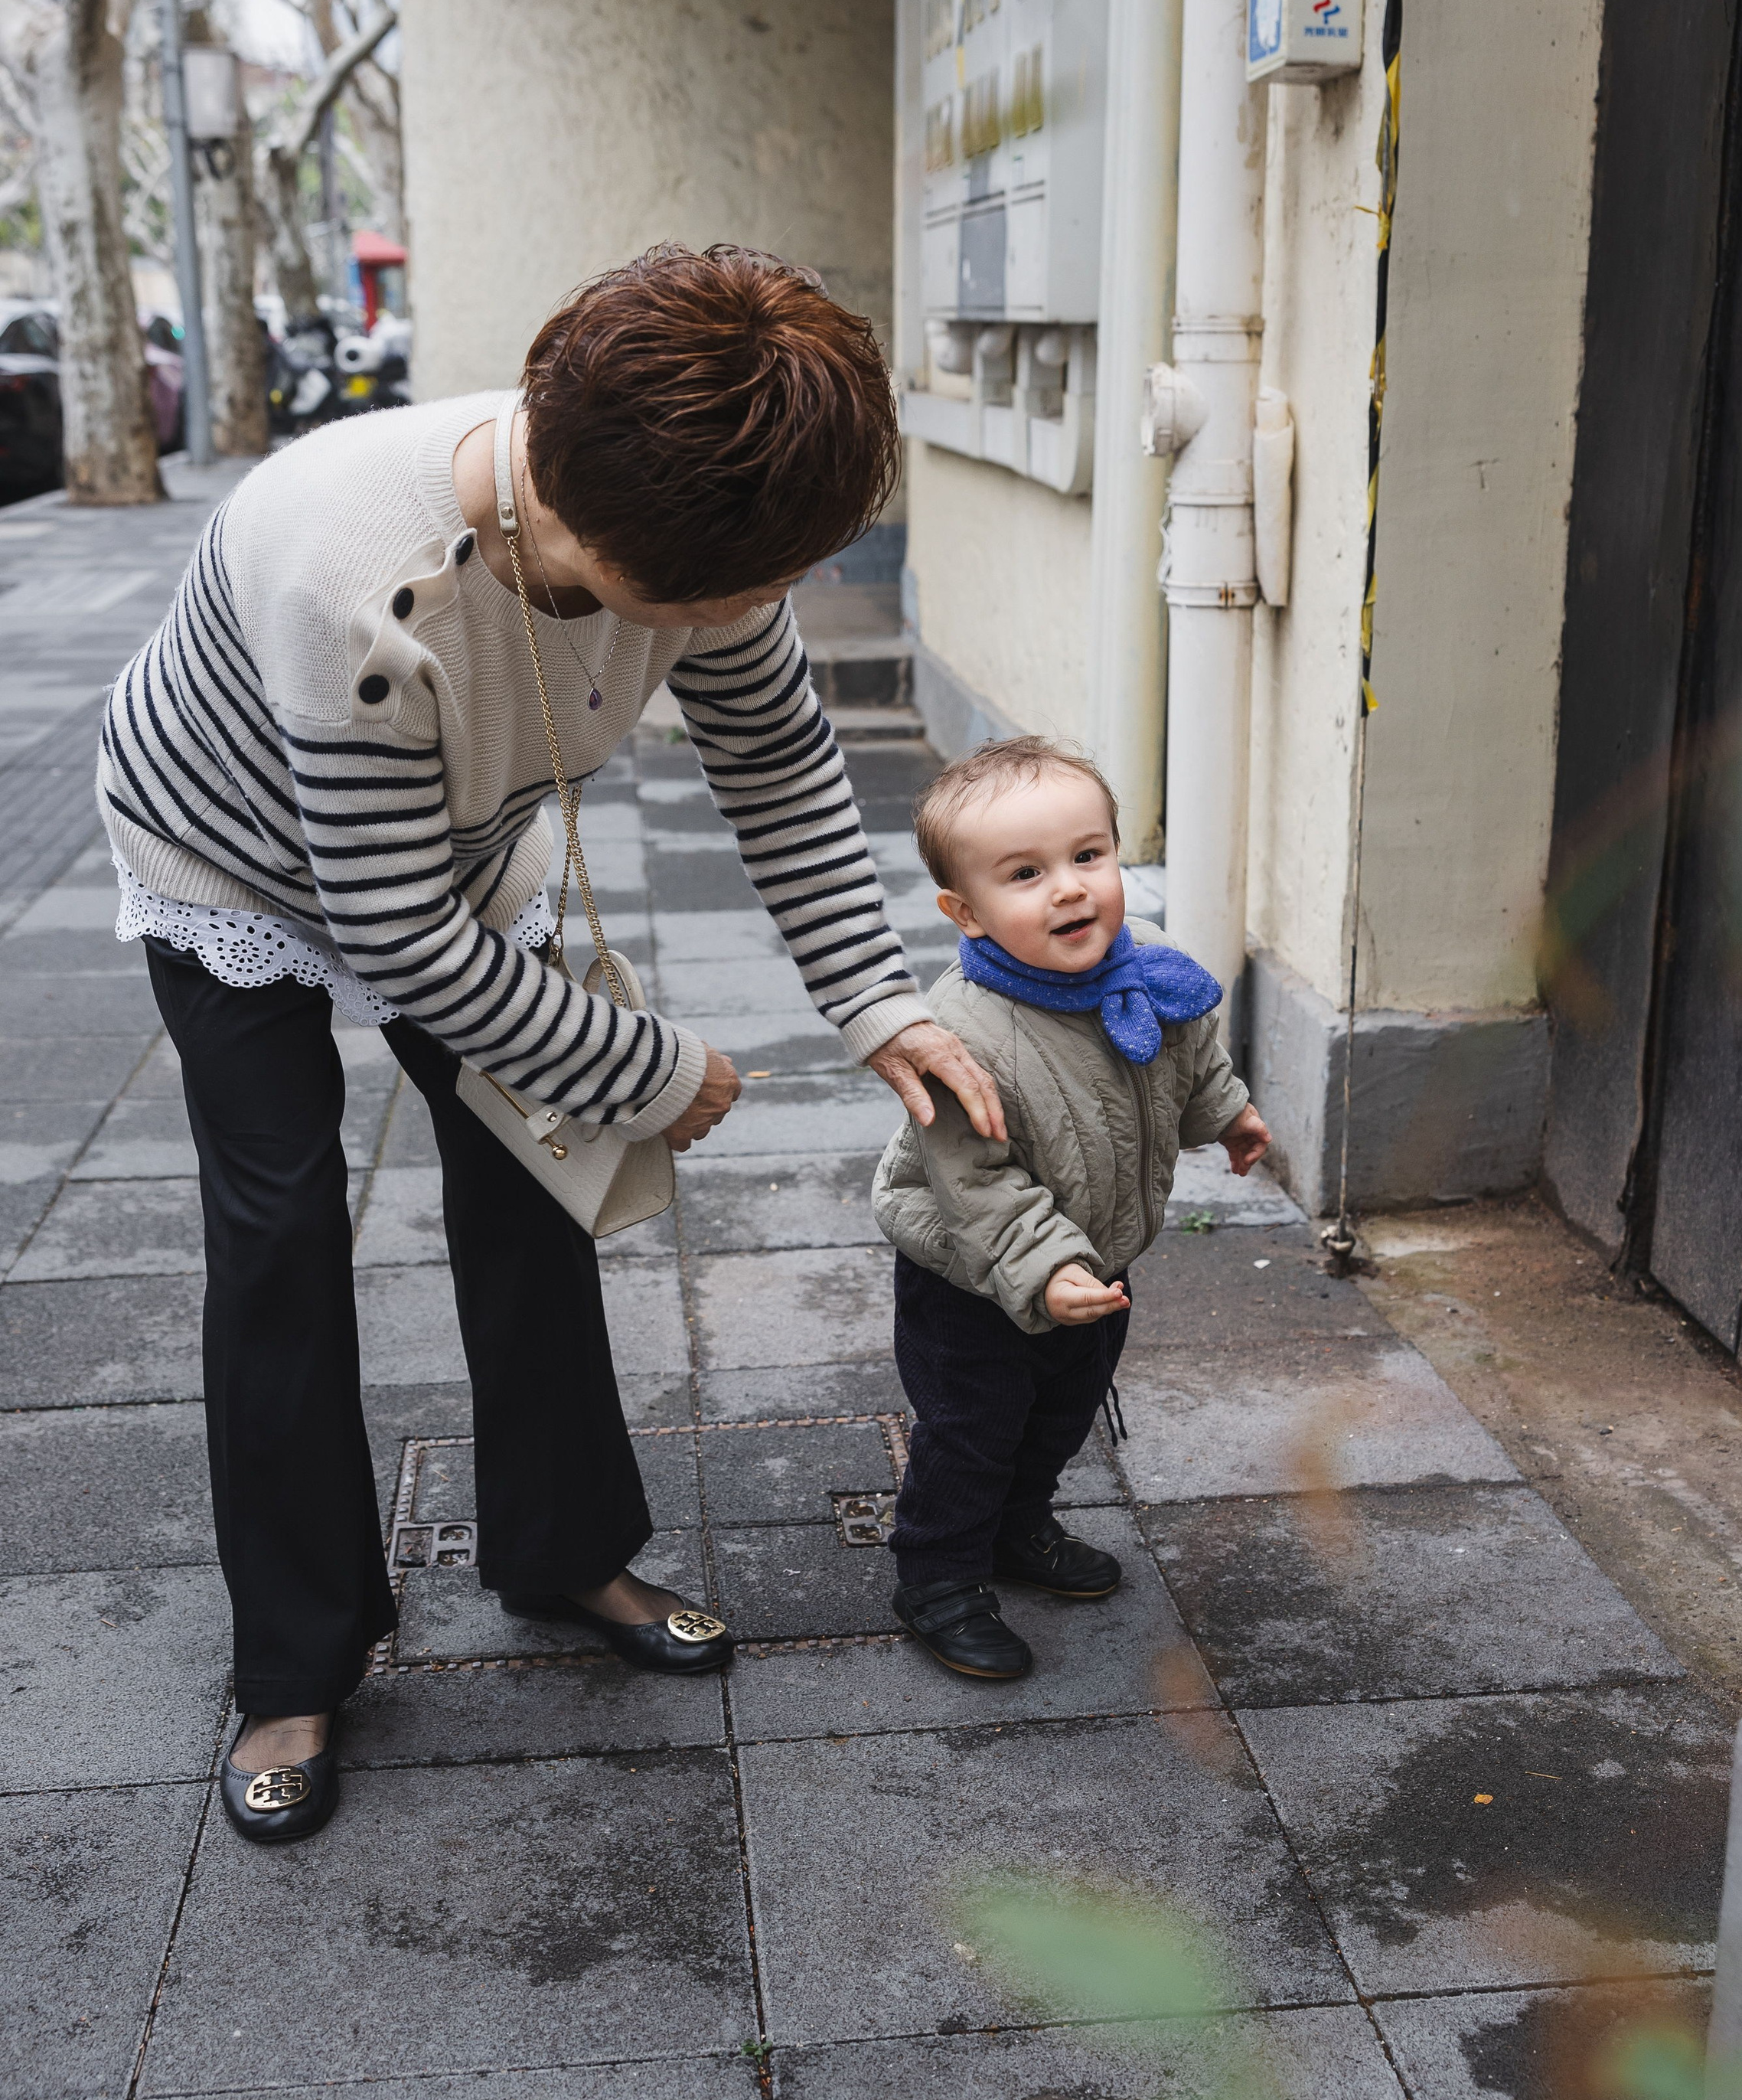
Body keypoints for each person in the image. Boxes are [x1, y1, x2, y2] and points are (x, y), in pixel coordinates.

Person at [98, 244, 1002, 1844]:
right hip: (229, 850)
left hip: (452, 841)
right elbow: (394, 940)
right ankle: (295, 1660)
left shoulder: (701, 524)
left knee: (529, 1183)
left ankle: (562, 1547)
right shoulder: (355, 577)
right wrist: (651, 1068)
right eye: (720, 600)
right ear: (577, 520)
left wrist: (878, 998)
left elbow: (779, 764)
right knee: (281, 1227)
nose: (744, 619)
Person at [871, 736, 1271, 1679]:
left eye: (1088, 856)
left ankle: (1019, 1526)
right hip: (974, 1273)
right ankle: (937, 1571)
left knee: (1062, 1405)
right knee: (973, 1424)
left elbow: (1189, 1056)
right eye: (1026, 873)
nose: (1069, 888)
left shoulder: (1150, 965)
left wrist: (1229, 1113)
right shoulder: (960, 1034)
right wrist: (1043, 1269)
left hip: (1097, 1256)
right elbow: (978, 1185)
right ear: (965, 913)